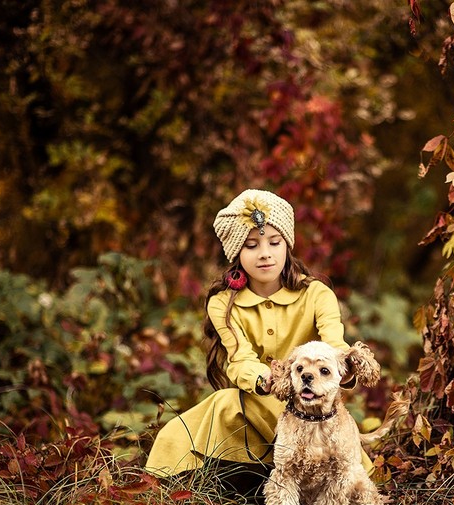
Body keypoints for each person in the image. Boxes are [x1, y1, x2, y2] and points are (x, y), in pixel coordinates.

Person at [145, 189, 374, 485]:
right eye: (251, 245)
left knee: (324, 434)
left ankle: (325, 483)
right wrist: (265, 379)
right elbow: (239, 360)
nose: (265, 253)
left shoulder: (316, 294)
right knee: (223, 404)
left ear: (287, 246)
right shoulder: (223, 303)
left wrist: (347, 362)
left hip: (311, 402)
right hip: (260, 400)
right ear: (237, 253)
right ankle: (204, 484)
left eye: (274, 242)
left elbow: (334, 343)